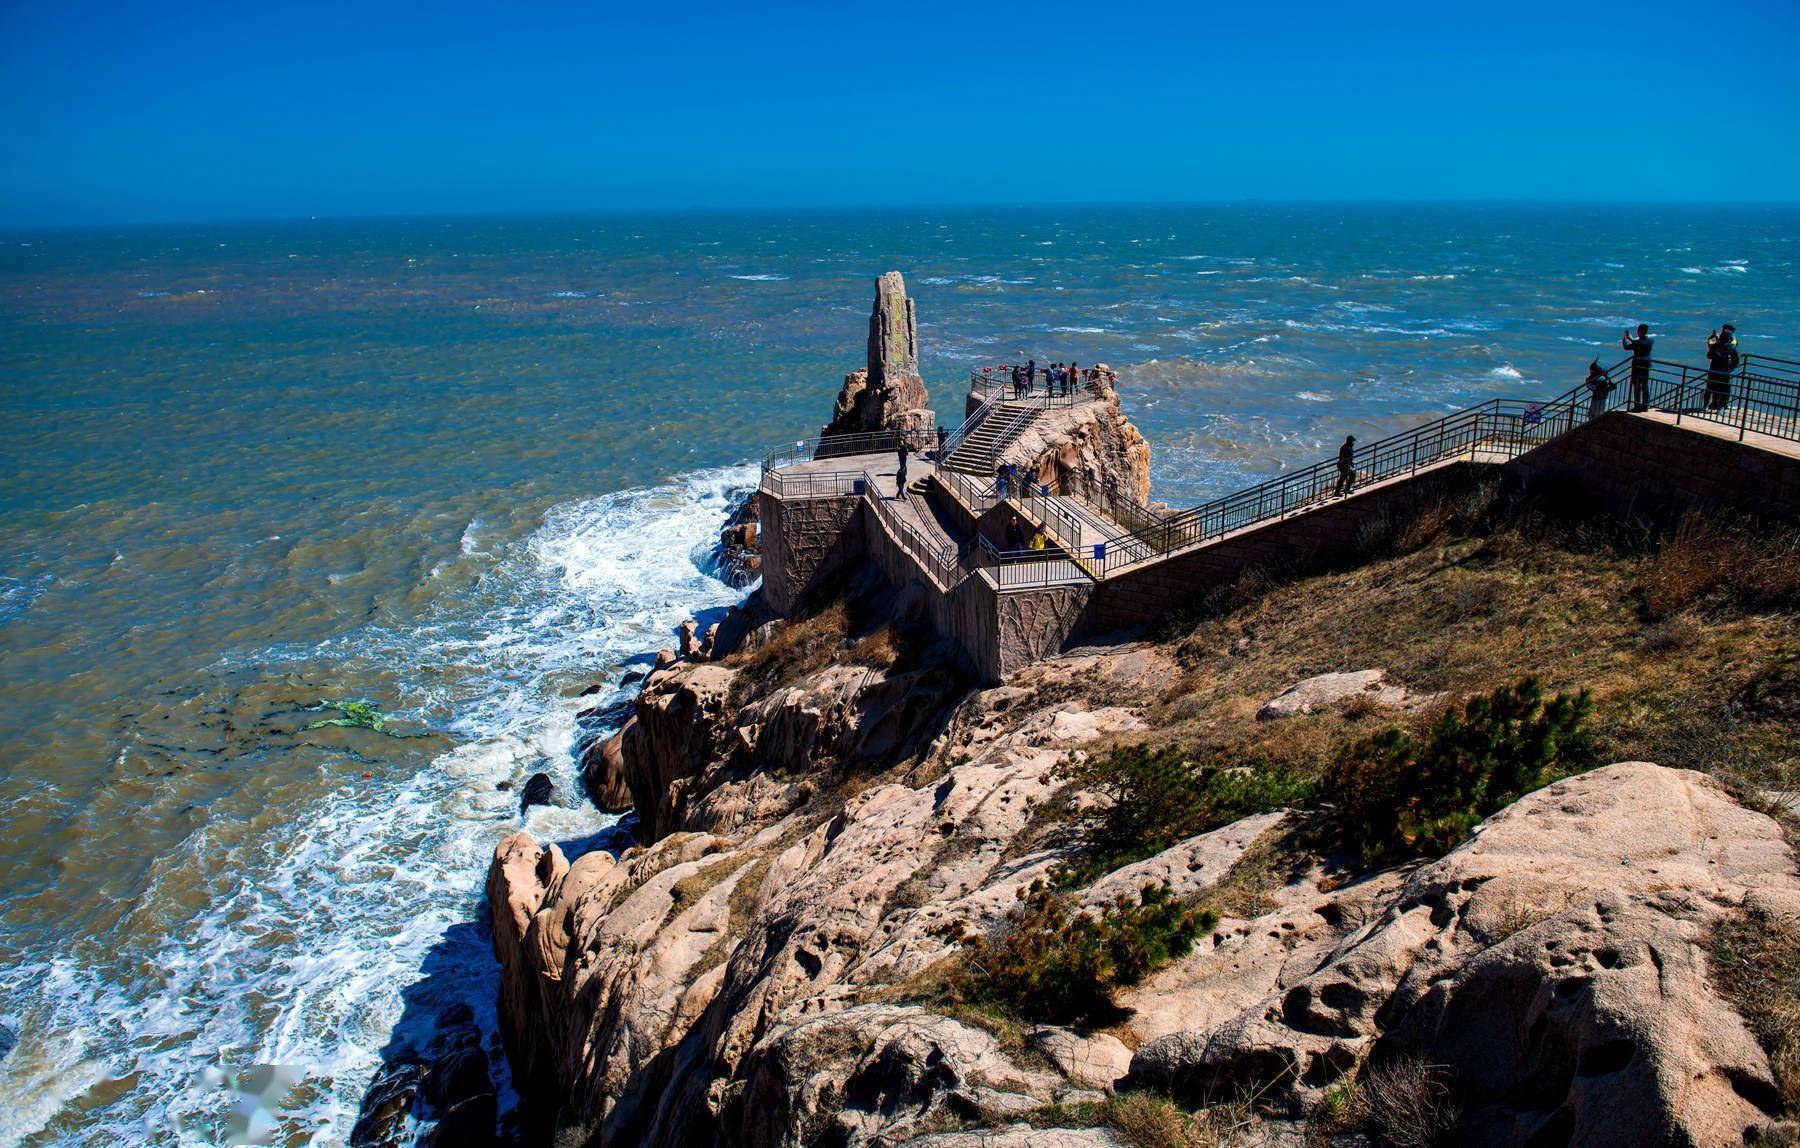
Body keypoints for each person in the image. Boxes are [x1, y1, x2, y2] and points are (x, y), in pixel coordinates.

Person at [1705, 324, 1740, 412]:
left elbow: (1709, 356)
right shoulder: (1731, 347)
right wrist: (1730, 369)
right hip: (1725, 372)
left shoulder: (1715, 345)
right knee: (1724, 390)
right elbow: (1736, 361)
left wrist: (1712, 340)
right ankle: (1722, 407)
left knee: (1709, 389)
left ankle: (1704, 406)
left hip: (1713, 371)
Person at [1621, 323, 1654, 411]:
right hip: (1646, 365)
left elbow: (1626, 347)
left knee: (1636, 386)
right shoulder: (1650, 341)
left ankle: (1637, 406)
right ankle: (1645, 405)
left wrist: (1625, 338)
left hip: (1637, 366)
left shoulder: (1637, 343)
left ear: (1638, 332)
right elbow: (1640, 343)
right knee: (1645, 386)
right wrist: (1632, 340)